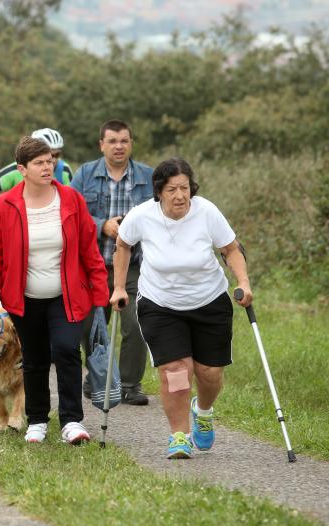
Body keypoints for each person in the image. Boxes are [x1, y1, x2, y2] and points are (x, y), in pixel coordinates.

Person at [110, 157, 252, 459]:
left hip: (209, 300)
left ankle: (203, 410)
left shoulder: (206, 212)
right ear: (159, 191)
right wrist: (119, 286)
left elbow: (230, 249)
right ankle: (180, 435)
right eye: (172, 189)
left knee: (209, 372)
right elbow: (123, 245)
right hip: (160, 303)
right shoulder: (142, 215)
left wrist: (243, 282)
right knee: (176, 371)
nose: (179, 195)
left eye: (184, 188)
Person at [0, 136, 109, 445]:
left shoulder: (71, 199)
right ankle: (37, 420)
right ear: (22, 169)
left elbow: (88, 248)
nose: (47, 167)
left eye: (50, 161)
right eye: (38, 163)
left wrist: (101, 291)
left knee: (66, 349)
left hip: (67, 295)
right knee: (35, 357)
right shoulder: (4, 204)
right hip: (24, 299)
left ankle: (72, 421)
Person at [70, 119, 154, 406]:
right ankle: (96, 376)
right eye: (113, 141)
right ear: (101, 145)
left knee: (136, 324)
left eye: (124, 141)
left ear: (131, 143)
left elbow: (160, 214)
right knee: (91, 327)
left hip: (133, 266)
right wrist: (101, 225)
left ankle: (129, 384)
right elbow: (71, 213)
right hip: (92, 264)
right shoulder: (84, 174)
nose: (119, 146)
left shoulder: (148, 176)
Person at [0, 128, 73, 224]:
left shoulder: (64, 171)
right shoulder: (16, 170)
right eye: (49, 154)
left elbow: (71, 202)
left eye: (57, 155)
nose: (53, 160)